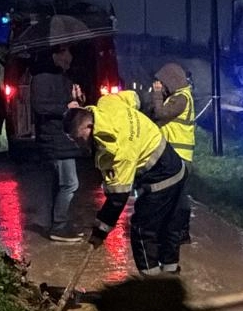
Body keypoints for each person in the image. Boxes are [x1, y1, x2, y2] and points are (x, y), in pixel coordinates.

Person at [62, 90, 187, 276]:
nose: (78, 144)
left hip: (162, 178)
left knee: (142, 229)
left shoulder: (117, 151)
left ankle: (153, 286)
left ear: (89, 126)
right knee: (168, 226)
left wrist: (100, 232)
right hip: (177, 167)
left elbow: (118, 199)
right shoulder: (107, 102)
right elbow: (136, 98)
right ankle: (171, 275)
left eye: (79, 138)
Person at [30, 44, 86, 242]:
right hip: (54, 138)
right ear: (54, 54)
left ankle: (59, 223)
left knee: (62, 184)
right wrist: (65, 106)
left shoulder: (64, 77)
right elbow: (40, 106)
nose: (69, 56)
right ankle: (59, 226)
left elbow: (71, 106)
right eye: (65, 52)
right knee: (70, 183)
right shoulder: (41, 78)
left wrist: (77, 98)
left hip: (64, 138)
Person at [148, 62, 196, 271]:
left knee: (176, 201)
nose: (160, 86)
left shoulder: (181, 99)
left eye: (162, 82)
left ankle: (176, 236)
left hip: (180, 155)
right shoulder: (178, 97)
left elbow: (160, 114)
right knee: (178, 199)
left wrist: (157, 94)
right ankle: (177, 235)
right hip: (175, 155)